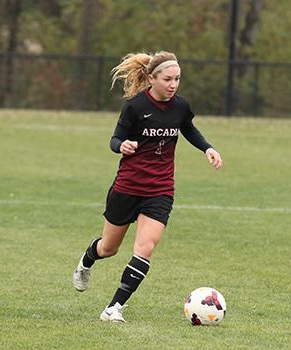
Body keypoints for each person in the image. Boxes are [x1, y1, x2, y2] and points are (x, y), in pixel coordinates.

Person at [72, 51, 222, 323]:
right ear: (151, 79)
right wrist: (123, 146)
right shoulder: (135, 106)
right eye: (167, 79)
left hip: (160, 189)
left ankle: (113, 308)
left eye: (177, 79)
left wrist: (207, 148)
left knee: (145, 249)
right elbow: (115, 139)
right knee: (108, 248)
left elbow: (188, 128)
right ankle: (86, 261)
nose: (173, 84)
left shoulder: (180, 106)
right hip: (127, 186)